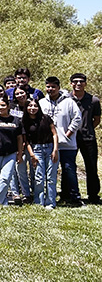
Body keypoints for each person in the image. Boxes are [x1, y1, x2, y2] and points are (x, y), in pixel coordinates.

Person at [39, 76, 83, 207]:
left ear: (58, 87)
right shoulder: (42, 103)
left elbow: (77, 118)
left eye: (53, 87)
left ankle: (74, 197)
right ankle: (48, 196)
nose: (50, 89)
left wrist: (68, 133)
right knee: (48, 172)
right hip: (48, 144)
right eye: (48, 86)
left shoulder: (69, 102)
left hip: (66, 144)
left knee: (69, 170)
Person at [70, 73, 101, 204]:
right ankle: (68, 194)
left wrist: (86, 128)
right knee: (69, 166)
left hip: (88, 138)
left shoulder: (93, 100)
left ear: (85, 83)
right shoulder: (66, 99)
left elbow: (97, 120)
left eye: (81, 81)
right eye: (75, 81)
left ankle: (93, 196)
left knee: (91, 167)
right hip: (70, 138)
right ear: (71, 83)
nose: (78, 83)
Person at [22, 98, 58, 208]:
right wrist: (32, 154)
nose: (32, 108)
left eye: (35, 106)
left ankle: (50, 203)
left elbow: (54, 134)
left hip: (50, 148)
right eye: (30, 106)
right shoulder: (24, 121)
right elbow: (26, 141)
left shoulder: (46, 118)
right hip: (35, 150)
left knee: (51, 177)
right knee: (39, 177)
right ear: (26, 107)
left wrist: (55, 149)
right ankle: (39, 202)